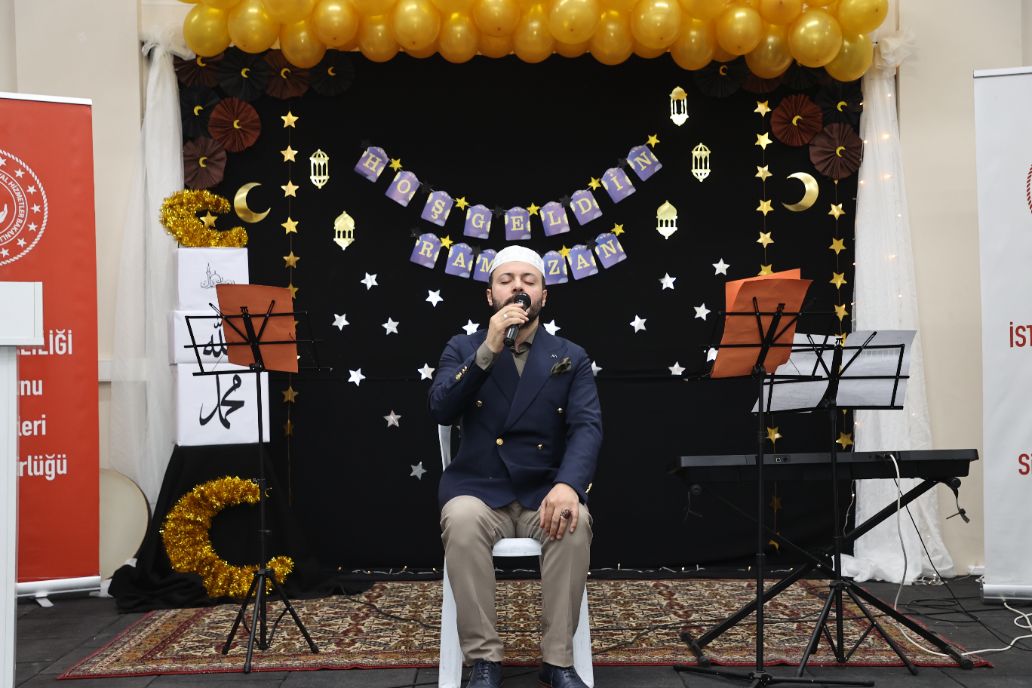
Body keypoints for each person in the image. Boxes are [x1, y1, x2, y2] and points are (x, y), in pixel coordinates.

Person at [429, 245, 603, 688]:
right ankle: (484, 660)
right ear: (491, 295)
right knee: (460, 520)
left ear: (544, 295)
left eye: (529, 280)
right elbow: (441, 409)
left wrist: (569, 485)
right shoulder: (463, 347)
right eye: (506, 280)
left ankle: (558, 661)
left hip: (542, 491)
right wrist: (487, 350)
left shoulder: (570, 355)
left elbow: (587, 428)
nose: (518, 288)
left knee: (574, 521)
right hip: (478, 489)